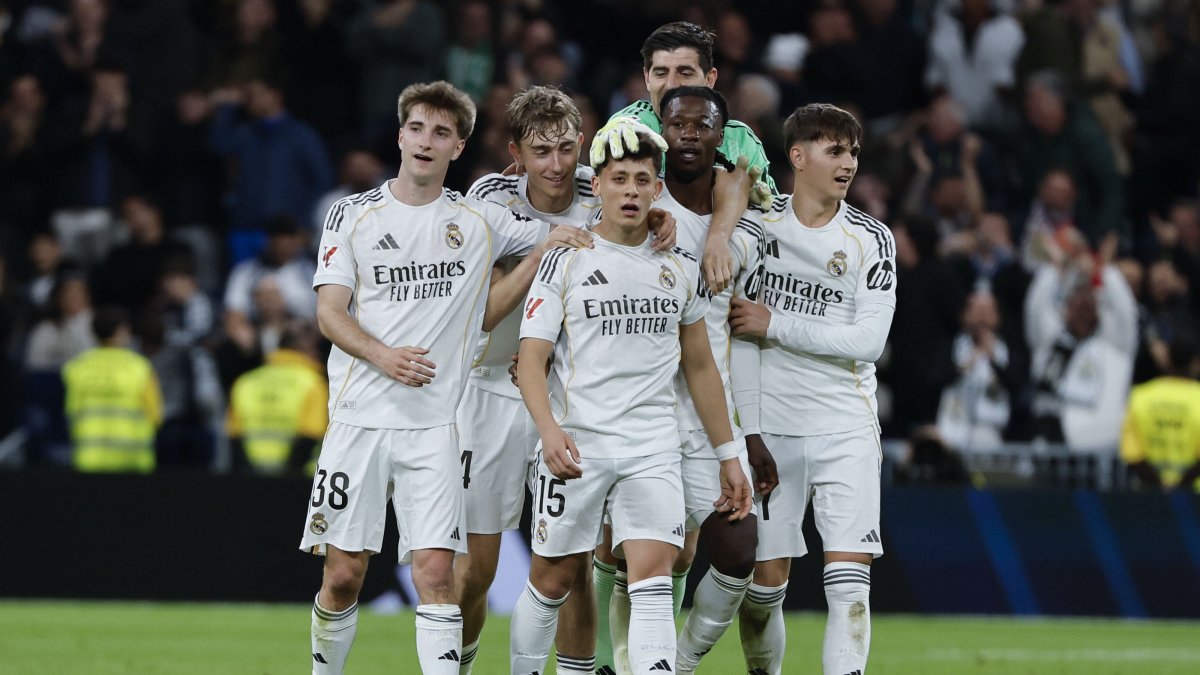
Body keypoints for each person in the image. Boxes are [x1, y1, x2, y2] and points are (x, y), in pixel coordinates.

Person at [300, 80, 591, 675]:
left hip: (437, 426)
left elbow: (575, 237)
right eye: (417, 129)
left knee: (436, 573)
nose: (426, 142)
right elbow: (329, 314)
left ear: (458, 148)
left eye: (441, 133)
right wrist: (384, 357)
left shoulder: (479, 219)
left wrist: (660, 224)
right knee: (343, 574)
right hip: (359, 419)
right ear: (400, 135)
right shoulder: (351, 214)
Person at [510, 118, 752, 675]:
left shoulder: (678, 266)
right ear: (598, 185)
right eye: (620, 179)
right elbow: (530, 360)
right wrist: (549, 431)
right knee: (552, 580)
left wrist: (727, 454)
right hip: (577, 445)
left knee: (653, 578)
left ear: (657, 188)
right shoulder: (565, 258)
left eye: (644, 180)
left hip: (652, 446)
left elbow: (701, 367)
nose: (632, 191)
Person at [728, 103, 897, 675]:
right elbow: (729, 303)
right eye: (834, 149)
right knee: (763, 588)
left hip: (846, 425)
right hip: (772, 429)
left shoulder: (871, 238)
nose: (847, 161)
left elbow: (869, 340)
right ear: (798, 157)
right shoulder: (757, 228)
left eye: (852, 151)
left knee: (850, 586)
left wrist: (776, 323)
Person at [651, 86, 767, 675]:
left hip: (708, 414)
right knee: (640, 557)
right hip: (639, 411)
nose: (690, 133)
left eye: (703, 125)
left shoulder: (744, 230)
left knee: (739, 550)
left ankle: (680, 660)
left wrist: (750, 431)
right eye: (678, 123)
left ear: (722, 137)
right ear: (661, 130)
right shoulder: (635, 207)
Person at [612, 20, 774, 295]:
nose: (672, 85)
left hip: (724, 285)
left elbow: (767, 219)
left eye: (685, 72)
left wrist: (718, 238)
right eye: (661, 72)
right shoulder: (629, 127)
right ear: (646, 78)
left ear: (710, 79)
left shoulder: (740, 139)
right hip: (646, 280)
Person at [62, 305, 163, 473]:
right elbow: (155, 416)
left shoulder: (76, 368)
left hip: (89, 461)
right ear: (122, 330)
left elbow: (71, 411)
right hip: (132, 462)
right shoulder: (140, 368)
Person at [227, 321, 327, 475]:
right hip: (297, 483)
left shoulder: (245, 382)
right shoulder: (313, 384)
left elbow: (234, 438)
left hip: (250, 479)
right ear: (307, 350)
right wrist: (286, 479)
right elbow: (309, 437)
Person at [1120, 337, 1200, 492]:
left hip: (1148, 494)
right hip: (1194, 497)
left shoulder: (1139, 396)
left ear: (1166, 359)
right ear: (1196, 363)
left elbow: (1132, 454)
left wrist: (1160, 488)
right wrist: (1180, 488)